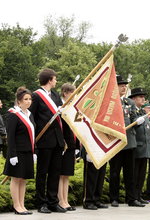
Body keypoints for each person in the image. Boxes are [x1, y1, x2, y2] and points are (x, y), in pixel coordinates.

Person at [29, 68, 66, 213]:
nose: (56, 81)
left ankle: (53, 201)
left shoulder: (55, 95)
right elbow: (31, 117)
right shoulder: (36, 96)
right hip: (44, 140)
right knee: (42, 172)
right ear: (50, 80)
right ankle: (41, 202)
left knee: (55, 172)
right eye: (55, 79)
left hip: (57, 140)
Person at [109, 75, 145, 207]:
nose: (124, 87)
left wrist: (138, 121)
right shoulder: (111, 102)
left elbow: (134, 119)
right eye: (121, 85)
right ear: (115, 86)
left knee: (130, 173)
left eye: (125, 85)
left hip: (130, 142)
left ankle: (131, 198)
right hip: (116, 142)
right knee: (115, 173)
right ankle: (114, 198)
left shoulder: (129, 103)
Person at [3, 87, 36, 215]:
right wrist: (11, 154)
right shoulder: (13, 114)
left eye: (30, 99)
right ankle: (16, 206)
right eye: (25, 99)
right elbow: (10, 136)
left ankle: (22, 205)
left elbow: (33, 134)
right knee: (16, 179)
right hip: (17, 152)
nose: (28, 101)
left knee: (24, 179)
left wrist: (34, 152)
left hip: (28, 151)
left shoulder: (29, 114)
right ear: (19, 101)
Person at [57, 83, 81, 211]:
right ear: (65, 93)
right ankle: (61, 200)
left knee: (67, 174)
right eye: (73, 93)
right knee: (61, 175)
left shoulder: (72, 108)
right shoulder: (59, 107)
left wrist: (77, 146)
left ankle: (65, 200)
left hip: (71, 144)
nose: (74, 96)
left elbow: (75, 128)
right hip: (64, 145)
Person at [129, 88, 150, 205]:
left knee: (142, 174)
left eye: (143, 96)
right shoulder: (132, 112)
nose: (143, 98)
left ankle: (138, 196)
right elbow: (133, 126)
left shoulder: (143, 112)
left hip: (145, 147)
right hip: (137, 147)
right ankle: (133, 197)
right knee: (135, 174)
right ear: (133, 99)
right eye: (140, 97)